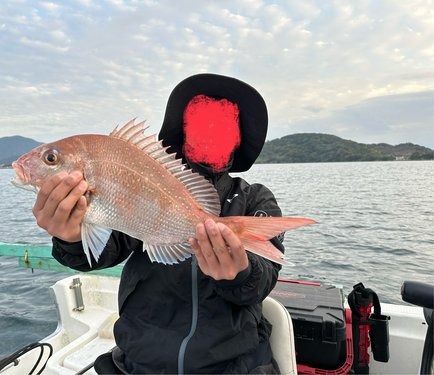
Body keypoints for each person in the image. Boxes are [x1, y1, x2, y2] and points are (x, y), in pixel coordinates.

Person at [32, 73, 285, 374]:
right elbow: (102, 252)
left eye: (226, 121)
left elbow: (263, 280)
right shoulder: (149, 177)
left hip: (233, 365)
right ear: (184, 130)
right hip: (140, 363)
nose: (213, 129)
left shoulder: (255, 198)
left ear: (239, 138)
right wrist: (70, 238)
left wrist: (238, 275)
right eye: (201, 117)